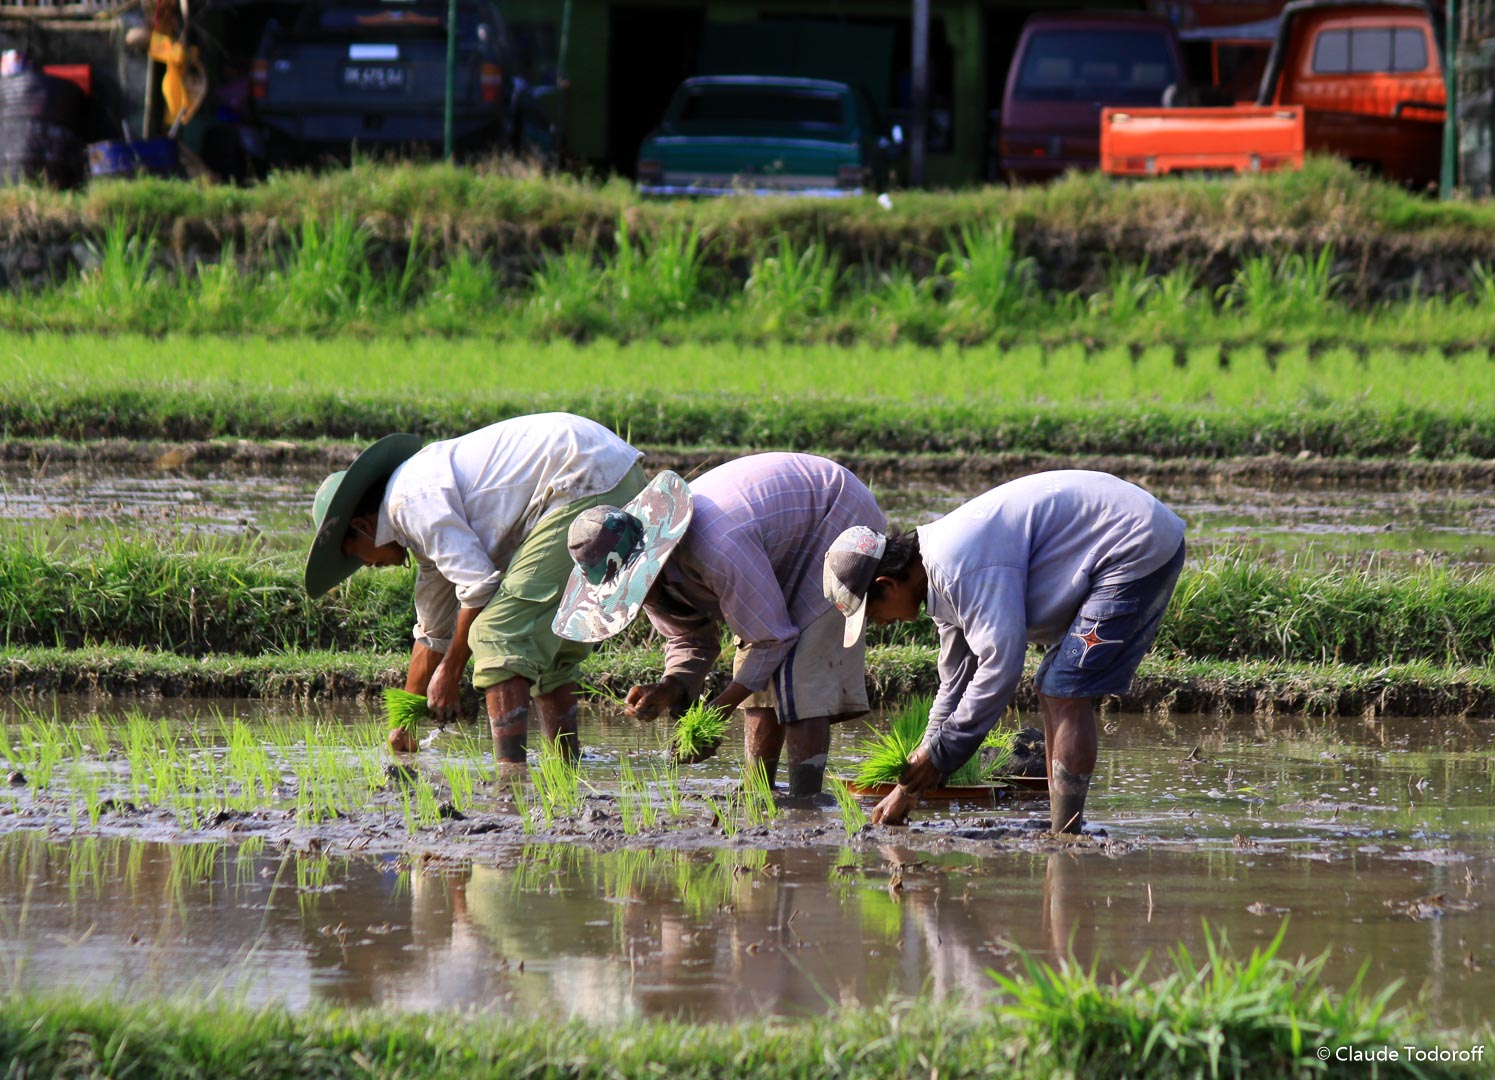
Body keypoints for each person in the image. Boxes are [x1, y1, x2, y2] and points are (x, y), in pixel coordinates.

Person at [822, 470, 1185, 833]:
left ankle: (1067, 835)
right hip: (1121, 531)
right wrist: (913, 782)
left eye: (872, 614)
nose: (882, 625)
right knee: (1053, 688)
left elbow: (1001, 666)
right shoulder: (937, 579)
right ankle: (1064, 827)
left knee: (1065, 690)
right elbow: (956, 685)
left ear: (887, 584)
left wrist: (942, 754)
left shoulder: (957, 568)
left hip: (1134, 540)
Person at [303, 413, 646, 764]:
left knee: (497, 632)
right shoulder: (416, 520)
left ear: (361, 526)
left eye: (355, 555)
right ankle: (567, 765)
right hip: (619, 472)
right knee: (551, 633)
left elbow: (479, 587)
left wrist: (450, 672)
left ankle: (510, 781)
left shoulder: (408, 504)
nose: (368, 565)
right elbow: (432, 631)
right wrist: (403, 723)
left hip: (582, 478)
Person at [553, 453, 887, 796]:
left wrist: (715, 713)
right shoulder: (653, 583)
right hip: (776, 540)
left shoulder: (716, 548)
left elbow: (771, 639)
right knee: (756, 666)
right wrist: (670, 686)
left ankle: (805, 799)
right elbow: (690, 640)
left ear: (647, 560)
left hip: (833, 515)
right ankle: (759, 791)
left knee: (800, 670)